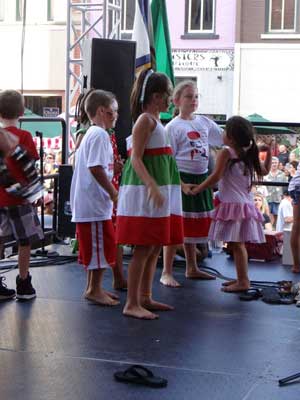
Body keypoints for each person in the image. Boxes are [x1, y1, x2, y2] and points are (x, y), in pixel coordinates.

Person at [116, 69, 184, 319]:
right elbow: (135, 158)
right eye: (167, 95)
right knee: (143, 248)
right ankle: (131, 302)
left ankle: (145, 296)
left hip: (158, 190)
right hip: (144, 193)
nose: (169, 100)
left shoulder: (157, 122)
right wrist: (152, 186)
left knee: (154, 245)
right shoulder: (145, 121)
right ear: (156, 96)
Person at [192, 116, 271, 293]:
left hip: (233, 205)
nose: (222, 134)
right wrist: (269, 152)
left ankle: (243, 281)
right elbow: (264, 171)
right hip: (244, 204)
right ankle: (241, 278)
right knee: (235, 244)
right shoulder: (247, 153)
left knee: (237, 244)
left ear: (232, 137)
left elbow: (216, 176)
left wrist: (199, 188)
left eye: (225, 131)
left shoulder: (227, 152)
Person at [160, 80, 222, 287]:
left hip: (201, 178)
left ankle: (192, 267)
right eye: (188, 96)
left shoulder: (204, 122)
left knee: (193, 225)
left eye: (196, 96)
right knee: (176, 224)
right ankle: (166, 272)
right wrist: (180, 183)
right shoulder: (173, 127)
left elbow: (223, 139)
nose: (193, 100)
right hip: (181, 179)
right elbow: (168, 161)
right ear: (176, 100)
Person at [73, 89, 126, 290]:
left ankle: (93, 288)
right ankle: (94, 290)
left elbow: (98, 166)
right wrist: (113, 193)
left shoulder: (94, 134)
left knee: (100, 248)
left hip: (94, 205)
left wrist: (114, 169)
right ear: (103, 111)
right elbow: (95, 168)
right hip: (94, 205)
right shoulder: (99, 134)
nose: (117, 115)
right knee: (99, 249)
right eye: (114, 111)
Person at [0, 90, 43, 300]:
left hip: (0, 199)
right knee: (24, 241)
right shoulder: (24, 137)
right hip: (20, 200)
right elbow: (31, 166)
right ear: (21, 110)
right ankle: (23, 282)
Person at [288, 161, 300, 273]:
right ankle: (297, 265)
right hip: (298, 186)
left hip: (296, 185)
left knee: (297, 225)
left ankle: (297, 265)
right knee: (297, 225)